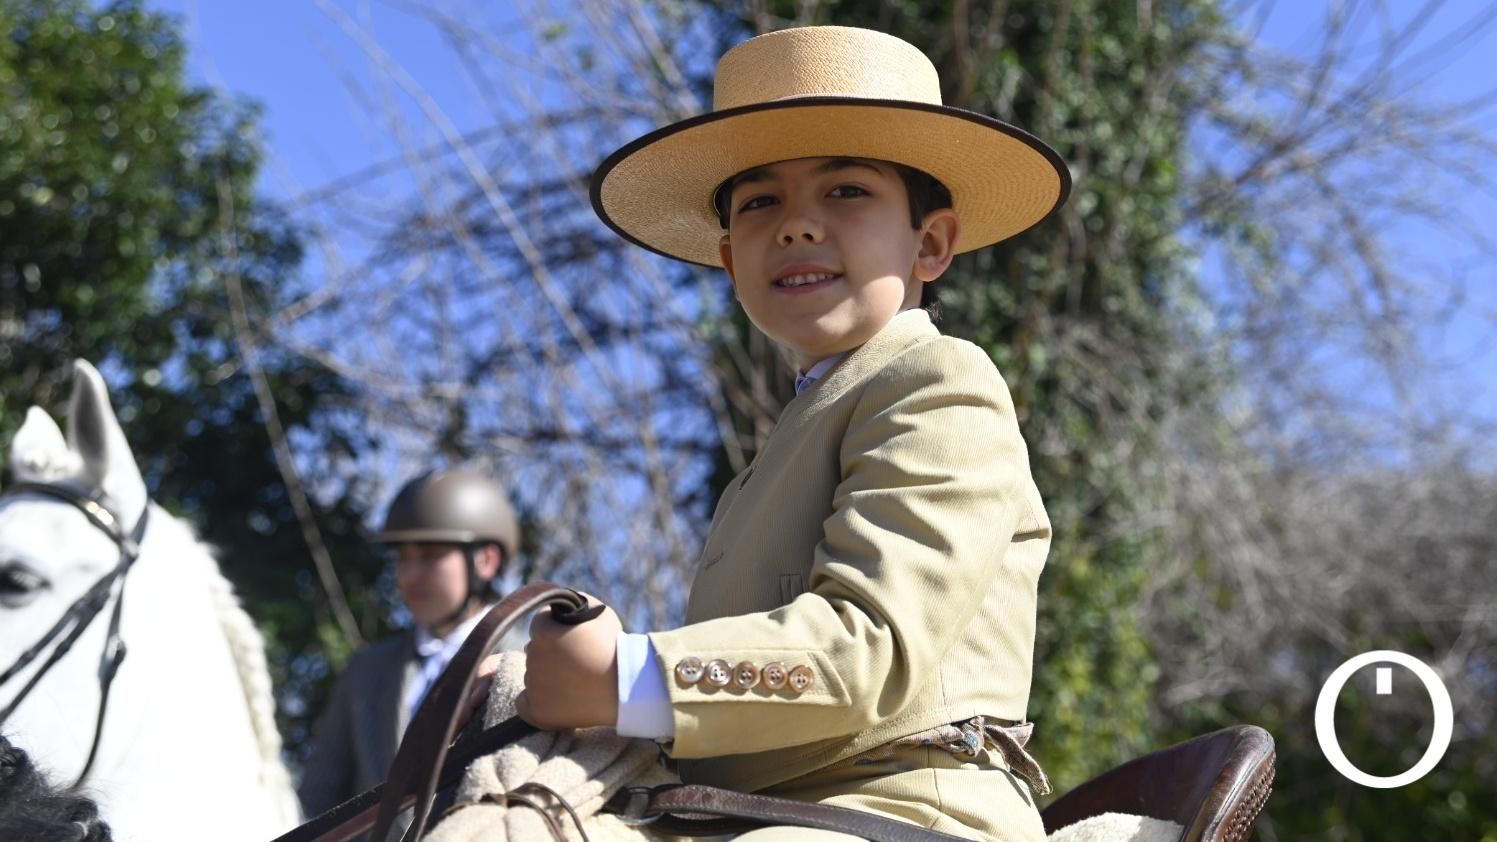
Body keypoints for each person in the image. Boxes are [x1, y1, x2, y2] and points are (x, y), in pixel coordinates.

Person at [517, 25, 1070, 842]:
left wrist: (626, 676)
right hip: (745, 816)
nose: (796, 226)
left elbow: (870, 646)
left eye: (845, 190)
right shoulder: (773, 457)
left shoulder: (939, 381)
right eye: (759, 203)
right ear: (729, 260)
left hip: (900, 808)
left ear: (929, 243)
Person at [297, 468, 524, 818]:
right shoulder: (366, 670)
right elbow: (316, 801)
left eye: (430, 555)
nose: (408, 575)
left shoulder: (533, 662)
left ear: (486, 561)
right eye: (403, 557)